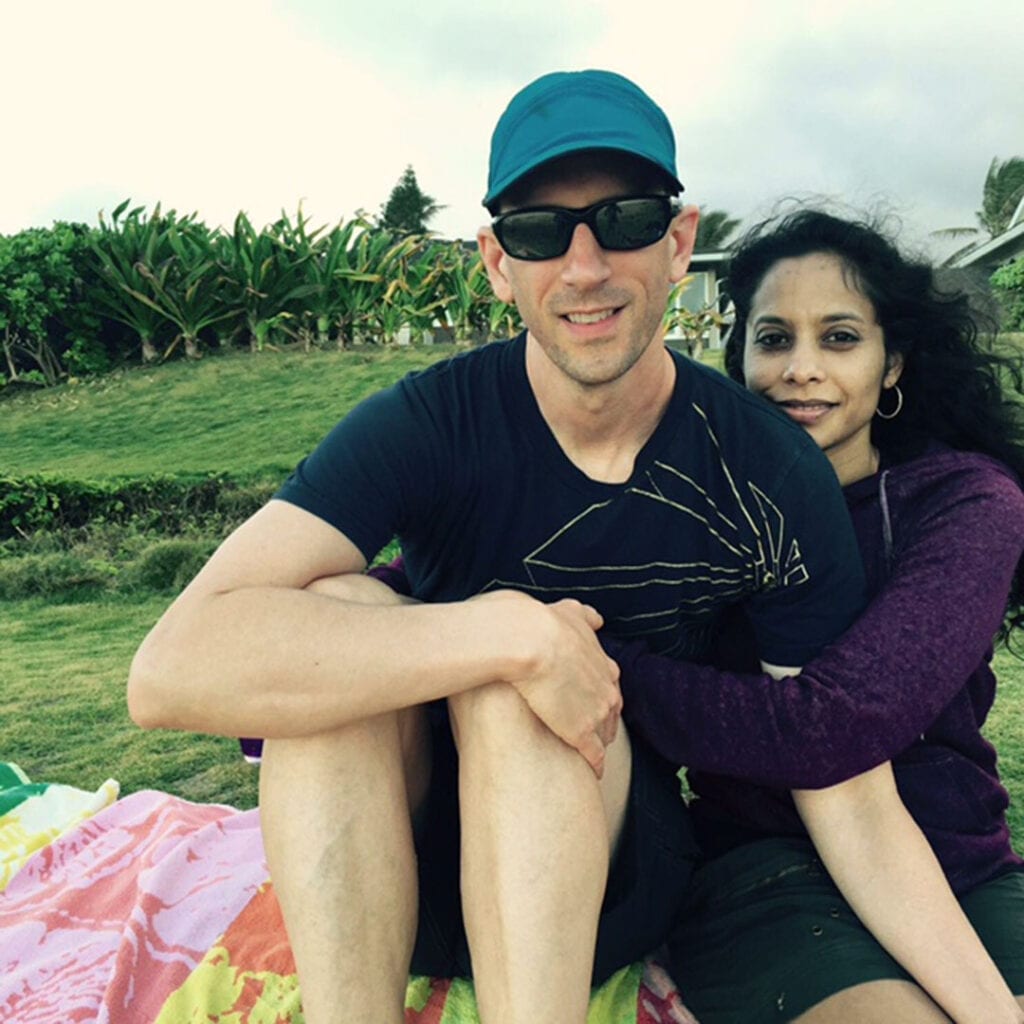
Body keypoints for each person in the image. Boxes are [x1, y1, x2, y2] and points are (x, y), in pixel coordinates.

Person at [127, 70, 868, 1024]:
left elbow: (838, 762)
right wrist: (514, 634)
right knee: (343, 618)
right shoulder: (430, 420)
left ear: (680, 242)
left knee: (512, 699)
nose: (585, 265)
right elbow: (168, 673)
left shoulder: (765, 470)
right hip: (392, 878)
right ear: (494, 261)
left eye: (627, 219)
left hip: (601, 876)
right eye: (538, 231)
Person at [607, 210, 1024, 1023]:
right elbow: (518, 559)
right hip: (766, 872)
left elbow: (831, 726)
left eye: (838, 338)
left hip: (961, 868)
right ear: (740, 361)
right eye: (773, 340)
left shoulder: (964, 504)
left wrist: (606, 670)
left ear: (890, 363)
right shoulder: (700, 508)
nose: (801, 369)